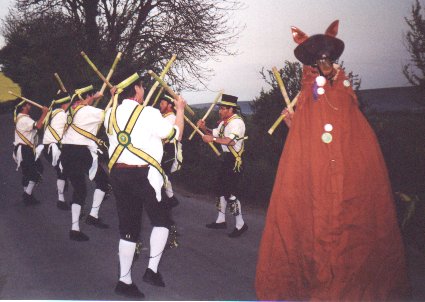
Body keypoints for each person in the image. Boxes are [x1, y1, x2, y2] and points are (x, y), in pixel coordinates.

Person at [255, 20, 410, 301]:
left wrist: (333, 80)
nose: (322, 64)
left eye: (326, 59)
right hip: (314, 166)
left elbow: (344, 123)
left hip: (347, 167)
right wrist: (296, 125)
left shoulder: (341, 87)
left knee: (348, 225)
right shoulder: (307, 92)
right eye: (317, 60)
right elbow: (313, 126)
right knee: (311, 220)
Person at [104, 80, 185, 298]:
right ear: (137, 89)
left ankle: (124, 280)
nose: (144, 91)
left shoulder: (109, 114)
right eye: (142, 87)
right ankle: (151, 270)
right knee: (162, 221)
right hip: (143, 175)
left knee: (128, 227)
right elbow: (175, 134)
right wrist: (180, 110)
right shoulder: (148, 113)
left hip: (118, 174)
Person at [61, 88, 110, 241]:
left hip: (67, 152)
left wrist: (93, 98)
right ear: (86, 97)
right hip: (80, 152)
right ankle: (92, 216)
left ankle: (75, 228)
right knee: (103, 181)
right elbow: (109, 115)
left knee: (79, 189)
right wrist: (114, 95)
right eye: (91, 96)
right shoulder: (89, 111)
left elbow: (87, 108)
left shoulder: (71, 111)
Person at [197, 94, 248, 238]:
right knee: (220, 190)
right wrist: (204, 128)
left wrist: (211, 139)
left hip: (236, 161)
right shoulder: (224, 123)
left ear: (232, 109)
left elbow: (230, 142)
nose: (220, 111)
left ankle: (241, 224)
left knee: (231, 193)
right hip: (227, 159)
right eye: (220, 108)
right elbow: (214, 133)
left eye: (223, 109)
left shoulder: (237, 123)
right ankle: (221, 220)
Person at [36, 93, 71, 210]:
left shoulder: (53, 113)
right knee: (63, 172)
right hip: (54, 148)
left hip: (47, 148)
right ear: (65, 103)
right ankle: (61, 200)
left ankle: (62, 190)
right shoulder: (62, 115)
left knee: (62, 171)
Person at [13, 101, 49, 205]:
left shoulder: (21, 117)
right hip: (25, 149)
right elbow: (38, 126)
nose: (30, 106)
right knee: (37, 171)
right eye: (28, 104)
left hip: (23, 149)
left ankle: (28, 197)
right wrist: (44, 113)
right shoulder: (24, 119)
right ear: (24, 107)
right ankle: (27, 194)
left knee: (27, 173)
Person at [159, 97, 181, 207]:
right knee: (162, 175)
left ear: (169, 105)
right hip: (164, 148)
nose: (160, 105)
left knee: (162, 175)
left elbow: (164, 136)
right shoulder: (164, 117)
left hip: (168, 149)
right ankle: (171, 199)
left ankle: (168, 201)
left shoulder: (171, 118)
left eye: (162, 103)